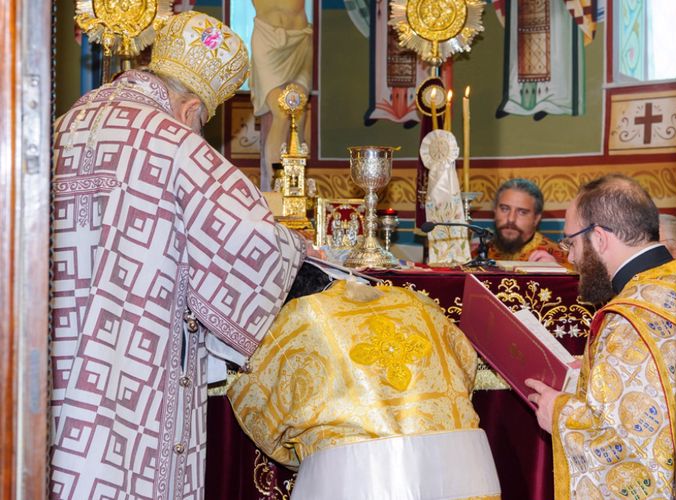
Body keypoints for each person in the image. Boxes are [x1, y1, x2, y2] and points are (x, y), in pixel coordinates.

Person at [49, 11, 306, 499]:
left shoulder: (63, 125)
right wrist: (298, 247)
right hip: (133, 360)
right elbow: (255, 242)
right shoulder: (175, 142)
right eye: (203, 121)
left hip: (52, 358)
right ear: (190, 110)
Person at [228, 261, 502, 500]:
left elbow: (258, 412)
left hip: (358, 481)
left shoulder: (300, 317)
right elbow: (466, 365)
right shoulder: (418, 302)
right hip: (464, 472)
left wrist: (309, 456)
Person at [524, 175, 676, 499]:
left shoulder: (627, 319)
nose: (571, 258)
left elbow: (631, 452)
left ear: (599, 238)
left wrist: (559, 414)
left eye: (571, 243)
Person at [250, 0, 313, 189]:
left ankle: (295, 183)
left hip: (299, 40)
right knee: (281, 112)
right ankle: (275, 184)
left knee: (297, 110)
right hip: (266, 40)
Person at [487, 178, 568, 263]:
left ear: (536, 219)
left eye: (522, 212)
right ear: (495, 210)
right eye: (504, 209)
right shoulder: (480, 252)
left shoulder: (559, 260)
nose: (511, 219)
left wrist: (552, 269)